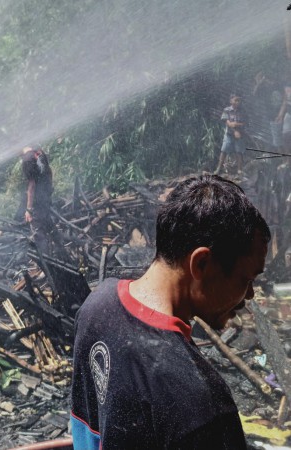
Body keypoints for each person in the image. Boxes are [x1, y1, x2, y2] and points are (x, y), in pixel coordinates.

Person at [71, 175, 270, 449]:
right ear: (201, 264)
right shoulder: (202, 404)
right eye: (245, 280)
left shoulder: (96, 306)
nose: (249, 295)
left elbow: (88, 428)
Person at [21, 145, 56, 256]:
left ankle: (46, 261)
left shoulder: (27, 160)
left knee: (38, 233)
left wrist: (29, 209)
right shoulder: (40, 152)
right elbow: (49, 171)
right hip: (46, 198)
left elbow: (31, 186)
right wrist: (49, 190)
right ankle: (61, 248)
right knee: (48, 223)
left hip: (37, 202)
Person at [214, 94, 249, 176]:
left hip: (240, 134)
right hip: (229, 134)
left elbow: (245, 123)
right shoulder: (227, 110)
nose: (237, 102)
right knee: (224, 150)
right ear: (231, 101)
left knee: (239, 152)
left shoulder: (243, 111)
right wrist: (234, 130)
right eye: (235, 100)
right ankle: (218, 168)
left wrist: (236, 124)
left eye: (239, 100)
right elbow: (227, 123)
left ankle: (239, 170)